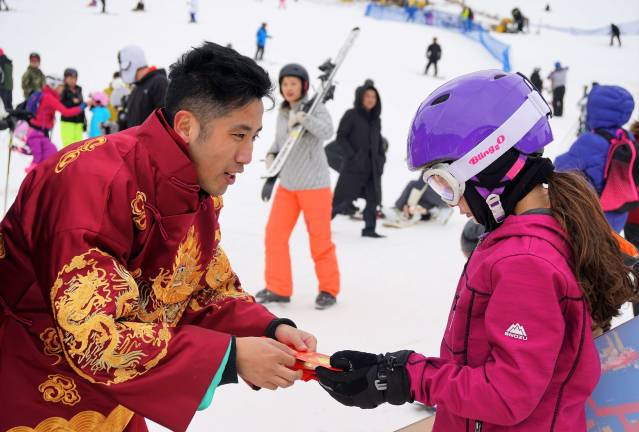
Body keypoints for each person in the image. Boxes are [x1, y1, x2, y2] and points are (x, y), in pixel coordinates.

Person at [0, 42, 317, 432]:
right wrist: (230, 358)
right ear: (186, 125)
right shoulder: (94, 184)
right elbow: (95, 338)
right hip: (31, 388)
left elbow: (205, 290)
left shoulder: (193, 189)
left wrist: (269, 330)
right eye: (238, 135)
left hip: (115, 395)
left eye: (254, 136)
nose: (248, 155)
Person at [315, 70, 636, 430]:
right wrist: (390, 370)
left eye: (445, 183)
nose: (450, 203)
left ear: (489, 166)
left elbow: (506, 395)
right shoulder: (543, 230)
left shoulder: (526, 262)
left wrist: (409, 378)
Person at [256, 63, 339, 310]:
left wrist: (305, 118)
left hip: (315, 186)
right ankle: (278, 288)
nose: (288, 88)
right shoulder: (282, 112)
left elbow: (327, 131)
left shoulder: (315, 107)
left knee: (320, 241)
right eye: (284, 84)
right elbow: (280, 142)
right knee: (274, 236)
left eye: (293, 83)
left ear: (303, 85)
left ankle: (328, 289)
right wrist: (272, 156)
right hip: (288, 186)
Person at [555, 84, 635, 232]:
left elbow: (561, 167)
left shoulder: (590, 141)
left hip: (594, 212)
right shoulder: (626, 137)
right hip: (619, 211)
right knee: (608, 248)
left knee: (588, 250)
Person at [332, 79, 386, 238]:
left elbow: (378, 141)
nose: (371, 99)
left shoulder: (376, 120)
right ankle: (320, 225)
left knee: (372, 199)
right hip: (353, 167)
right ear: (361, 97)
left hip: (372, 168)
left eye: (374, 97)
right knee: (341, 200)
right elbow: (341, 137)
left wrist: (380, 160)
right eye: (368, 96)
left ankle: (369, 229)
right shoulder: (351, 115)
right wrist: (352, 156)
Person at [24, 74, 84, 172]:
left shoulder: (45, 95)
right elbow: (66, 112)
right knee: (48, 156)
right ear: (54, 85)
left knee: (44, 158)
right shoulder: (49, 98)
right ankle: (35, 177)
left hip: (36, 129)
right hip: (40, 131)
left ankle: (39, 179)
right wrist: (82, 107)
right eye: (60, 87)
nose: (62, 89)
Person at [117, 45, 168, 129]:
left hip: (154, 141)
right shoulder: (135, 90)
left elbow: (166, 120)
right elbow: (132, 125)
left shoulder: (159, 82)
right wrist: (119, 125)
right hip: (136, 142)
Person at [59, 68, 85, 147]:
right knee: (69, 146)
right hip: (68, 122)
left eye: (74, 78)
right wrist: (72, 102)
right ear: (65, 78)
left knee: (79, 146)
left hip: (79, 122)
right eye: (70, 78)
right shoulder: (62, 89)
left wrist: (84, 121)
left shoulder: (78, 89)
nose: (72, 80)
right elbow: (60, 105)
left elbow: (82, 106)